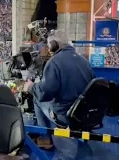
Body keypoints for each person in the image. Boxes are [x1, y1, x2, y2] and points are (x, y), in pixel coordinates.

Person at [23, 30, 95, 159]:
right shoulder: (83, 60)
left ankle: (46, 139)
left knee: (36, 99)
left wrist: (31, 87)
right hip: (85, 113)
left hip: (66, 115)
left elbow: (44, 94)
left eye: (49, 45)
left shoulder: (54, 62)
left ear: (54, 45)